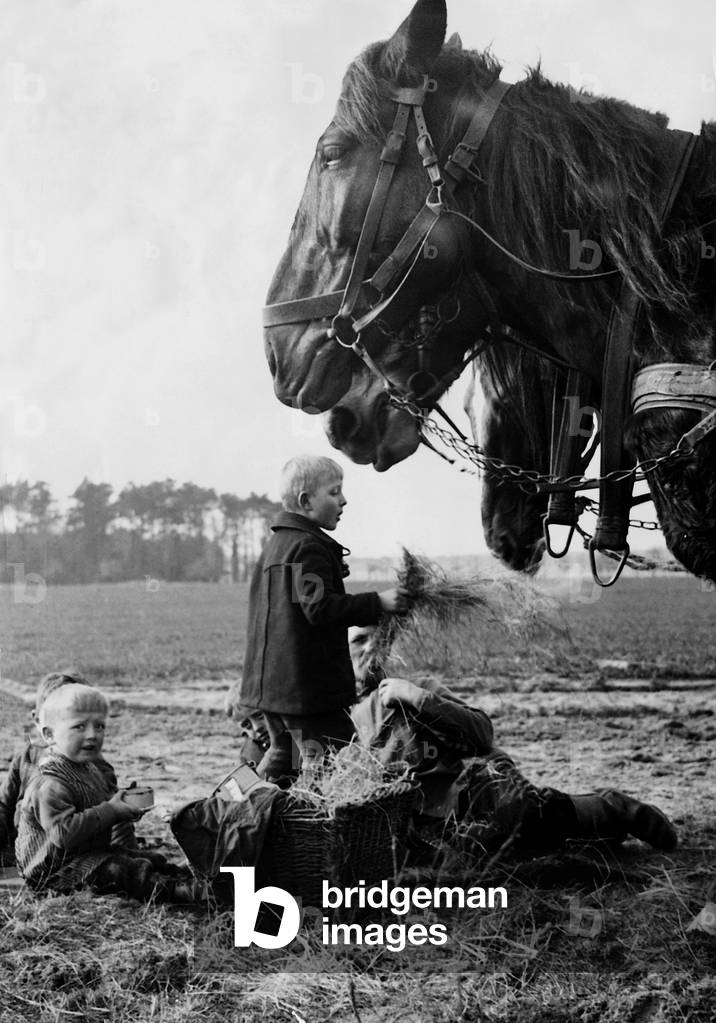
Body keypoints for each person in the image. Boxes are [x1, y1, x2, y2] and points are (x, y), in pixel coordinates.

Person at [348, 628, 677, 857]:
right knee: (528, 850)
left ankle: (616, 809)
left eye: (380, 639)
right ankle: (596, 835)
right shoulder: (333, 715)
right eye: (359, 640)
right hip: (424, 827)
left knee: (534, 817)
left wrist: (417, 697)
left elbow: (480, 732)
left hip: (477, 796)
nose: (371, 648)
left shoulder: (411, 688)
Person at [239, 455, 406, 783]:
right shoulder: (307, 548)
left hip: (269, 688)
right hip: (305, 693)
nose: (344, 500)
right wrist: (379, 601)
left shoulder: (277, 546)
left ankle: (240, 811)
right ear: (305, 501)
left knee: (283, 753)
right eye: (334, 492)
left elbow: (300, 605)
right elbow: (320, 609)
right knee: (329, 757)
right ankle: (317, 826)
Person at [15, 682, 204, 903]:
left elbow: (98, 805)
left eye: (100, 726)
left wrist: (122, 806)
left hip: (88, 855)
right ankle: (182, 892)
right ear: (49, 734)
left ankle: (187, 876)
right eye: (79, 727)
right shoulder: (49, 783)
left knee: (143, 858)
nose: (93, 735)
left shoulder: (88, 767)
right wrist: (112, 810)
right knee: (120, 869)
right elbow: (63, 835)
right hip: (56, 873)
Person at [0, 670, 123, 863]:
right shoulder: (27, 758)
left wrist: (123, 851)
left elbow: (117, 817)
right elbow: (3, 806)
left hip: (74, 855)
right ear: (38, 720)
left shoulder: (95, 765)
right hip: (29, 852)